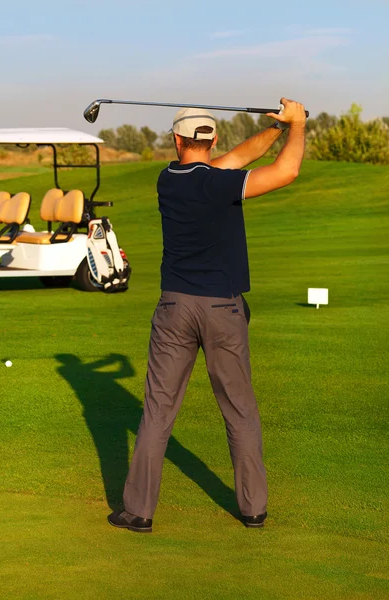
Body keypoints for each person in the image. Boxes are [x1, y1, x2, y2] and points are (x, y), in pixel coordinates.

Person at [108, 98, 306, 532]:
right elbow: (286, 172)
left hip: (174, 308)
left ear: (175, 140)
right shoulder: (218, 182)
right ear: (212, 137)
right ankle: (253, 509)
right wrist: (298, 125)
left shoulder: (169, 179)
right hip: (223, 309)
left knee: (158, 411)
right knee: (239, 411)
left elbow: (236, 159)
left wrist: (274, 129)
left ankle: (138, 512)